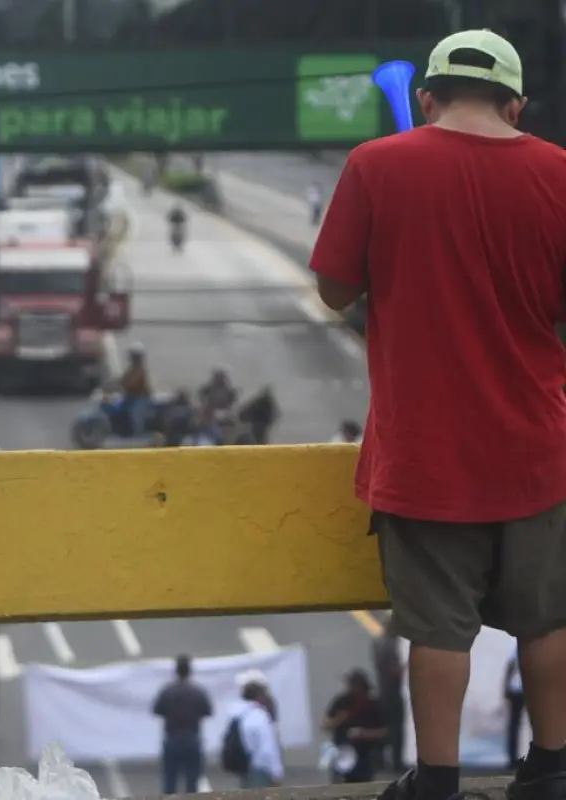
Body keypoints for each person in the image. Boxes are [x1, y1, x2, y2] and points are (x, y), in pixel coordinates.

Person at [310, 29, 566, 800]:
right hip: (539, 445)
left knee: (438, 628)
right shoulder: (559, 173)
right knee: (548, 616)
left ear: (426, 97)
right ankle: (553, 766)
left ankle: (439, 779)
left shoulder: (376, 165)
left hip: (426, 452)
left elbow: (333, 290)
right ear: (517, 104)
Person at [151, 654, 213, 794]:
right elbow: (208, 711)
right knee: (192, 783)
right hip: (192, 738)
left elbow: (156, 710)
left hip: (172, 738)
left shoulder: (167, 691)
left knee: (170, 782)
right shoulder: (197, 692)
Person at [322, 669, 387, 784]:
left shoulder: (372, 704)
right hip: (342, 753)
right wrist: (339, 719)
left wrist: (364, 734)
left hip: (365, 756)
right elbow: (325, 724)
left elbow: (384, 731)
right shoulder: (341, 702)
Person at [372, 615, 406, 773]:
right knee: (397, 729)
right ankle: (397, 762)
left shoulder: (377, 642)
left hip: (383, 690)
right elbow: (394, 671)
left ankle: (379, 760)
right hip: (394, 692)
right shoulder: (393, 644)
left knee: (384, 726)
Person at [236, 678, 283, 788]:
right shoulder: (260, 717)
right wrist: (277, 772)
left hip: (245, 766)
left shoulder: (240, 715)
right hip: (261, 768)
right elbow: (267, 748)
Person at [117, 343, 153, 435]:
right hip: (131, 397)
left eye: (135, 356)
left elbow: (132, 384)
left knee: (135, 414)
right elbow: (123, 379)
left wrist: (123, 385)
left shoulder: (140, 370)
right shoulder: (132, 369)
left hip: (140, 398)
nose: (133, 358)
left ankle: (139, 433)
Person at [505, 642, 526, 770]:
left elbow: (510, 668)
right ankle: (513, 758)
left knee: (515, 726)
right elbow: (510, 667)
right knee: (515, 726)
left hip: (517, 689)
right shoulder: (520, 649)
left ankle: (514, 758)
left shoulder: (517, 649)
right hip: (520, 689)